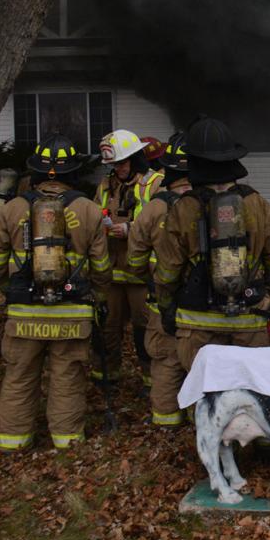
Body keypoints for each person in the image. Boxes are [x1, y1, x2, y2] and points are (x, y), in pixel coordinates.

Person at [0, 134, 111, 451]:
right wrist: (99, 297)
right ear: (73, 172)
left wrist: (9, 291)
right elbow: (102, 267)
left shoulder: (12, 209)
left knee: (19, 376)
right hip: (72, 312)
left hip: (23, 312)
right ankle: (67, 442)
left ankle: (12, 441)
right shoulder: (89, 210)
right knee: (67, 378)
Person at [153, 117, 270, 371]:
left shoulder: (183, 208)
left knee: (205, 399)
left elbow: (167, 270)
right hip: (251, 319)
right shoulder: (256, 204)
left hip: (197, 325)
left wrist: (166, 308)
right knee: (251, 399)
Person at [125, 134, 192, 427]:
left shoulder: (155, 207)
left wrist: (150, 280)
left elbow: (135, 256)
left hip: (161, 299)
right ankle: (198, 418)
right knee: (200, 361)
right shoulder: (212, 204)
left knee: (165, 359)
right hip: (203, 304)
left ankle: (166, 421)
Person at [93, 129, 159, 388]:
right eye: (113, 164)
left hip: (142, 273)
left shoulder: (155, 184)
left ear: (135, 158)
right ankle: (105, 376)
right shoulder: (105, 186)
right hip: (111, 270)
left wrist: (131, 229)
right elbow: (93, 214)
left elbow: (162, 223)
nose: (117, 169)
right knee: (107, 326)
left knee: (146, 328)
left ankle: (152, 381)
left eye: (121, 163)